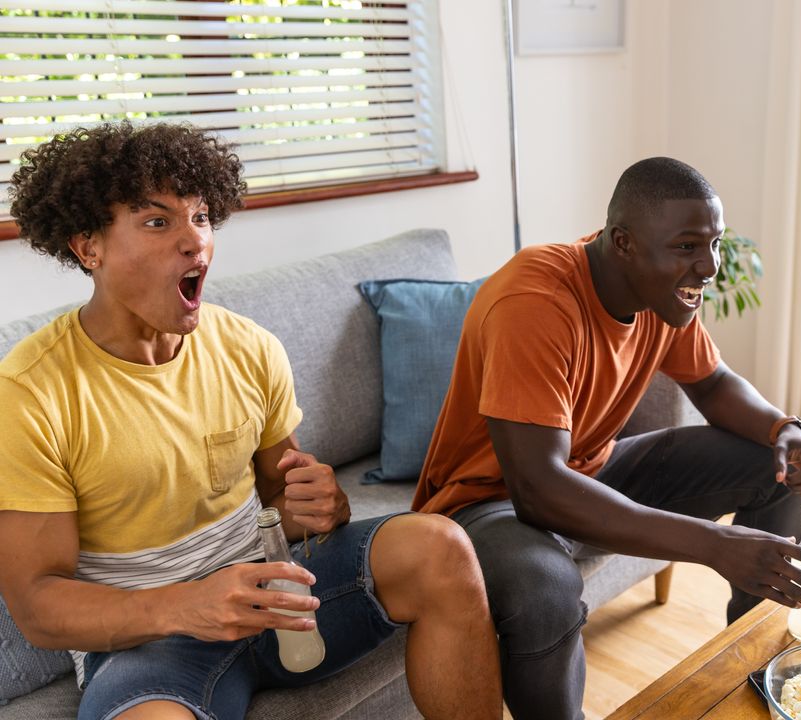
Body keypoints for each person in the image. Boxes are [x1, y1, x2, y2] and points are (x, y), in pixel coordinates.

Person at [0, 122, 501, 720]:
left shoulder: (248, 346)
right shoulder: (31, 392)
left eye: (201, 217)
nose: (194, 242)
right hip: (150, 636)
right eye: (158, 222)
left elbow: (279, 500)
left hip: (274, 588)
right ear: (89, 247)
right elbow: (38, 605)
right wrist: (188, 606)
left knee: (439, 545)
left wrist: (324, 506)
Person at [413, 157, 801, 720]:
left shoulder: (661, 294)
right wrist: (715, 545)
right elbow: (537, 489)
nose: (708, 267)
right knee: (545, 587)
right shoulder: (534, 302)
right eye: (688, 247)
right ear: (624, 243)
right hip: (490, 504)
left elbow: (712, 384)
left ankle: (760, 670)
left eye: (714, 244)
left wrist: (785, 429)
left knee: (774, 467)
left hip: (590, 470)